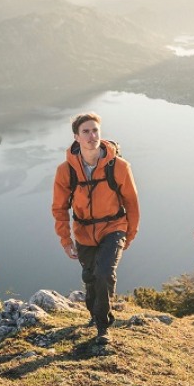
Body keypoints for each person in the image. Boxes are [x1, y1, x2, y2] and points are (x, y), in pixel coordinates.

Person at [52, 112, 140, 345]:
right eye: (86, 132)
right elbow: (59, 208)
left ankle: (103, 326)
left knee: (104, 274)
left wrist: (129, 235)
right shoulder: (66, 170)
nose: (92, 136)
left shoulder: (119, 166)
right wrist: (65, 239)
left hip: (114, 227)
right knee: (90, 277)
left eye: (95, 131)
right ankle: (94, 314)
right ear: (76, 137)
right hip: (83, 232)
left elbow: (131, 202)